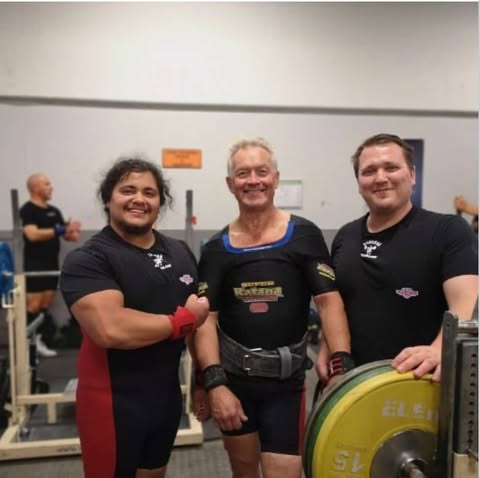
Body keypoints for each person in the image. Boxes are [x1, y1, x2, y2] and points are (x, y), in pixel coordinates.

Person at [193, 138, 352, 478]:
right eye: (243, 173)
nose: (253, 180)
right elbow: (205, 320)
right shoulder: (216, 249)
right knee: (244, 470)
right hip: (234, 381)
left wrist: (342, 366)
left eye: (262, 171)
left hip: (286, 384)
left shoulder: (304, 234)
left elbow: (329, 301)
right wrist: (214, 384)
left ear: (276, 178)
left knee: (284, 472)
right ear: (230, 184)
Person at [59, 158, 209, 478]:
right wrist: (183, 321)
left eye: (149, 192)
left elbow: (201, 325)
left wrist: (202, 380)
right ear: (108, 198)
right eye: (128, 190)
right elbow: (111, 328)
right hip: (112, 404)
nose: (139, 199)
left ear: (160, 202)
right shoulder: (89, 259)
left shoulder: (180, 252)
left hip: (166, 398)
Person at [319, 133, 478, 384]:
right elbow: (336, 303)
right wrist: (328, 347)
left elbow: (465, 302)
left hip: (418, 381)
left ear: (412, 175)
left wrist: (440, 349)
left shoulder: (448, 230)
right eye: (369, 171)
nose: (380, 178)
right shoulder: (345, 236)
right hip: (352, 384)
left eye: (391, 168)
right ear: (359, 183)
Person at [20, 173, 81, 357]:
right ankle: (26, 345)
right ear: (34, 188)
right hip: (34, 265)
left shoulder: (54, 211)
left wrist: (72, 231)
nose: (51, 187)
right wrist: (61, 229)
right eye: (47, 184)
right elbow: (32, 235)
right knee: (33, 306)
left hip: (51, 264)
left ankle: (38, 340)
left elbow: (68, 236)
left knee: (45, 304)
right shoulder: (28, 210)